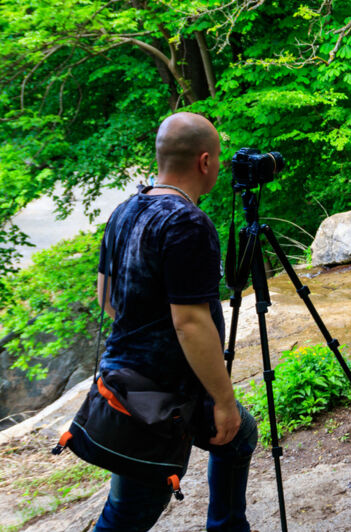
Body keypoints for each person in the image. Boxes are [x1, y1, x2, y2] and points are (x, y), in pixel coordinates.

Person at [93, 112, 259, 531]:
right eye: (218, 159)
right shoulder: (188, 222)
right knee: (127, 516)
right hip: (154, 399)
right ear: (205, 162)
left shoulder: (125, 210)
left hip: (123, 379)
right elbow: (190, 323)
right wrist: (222, 400)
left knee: (238, 436)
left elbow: (107, 300)